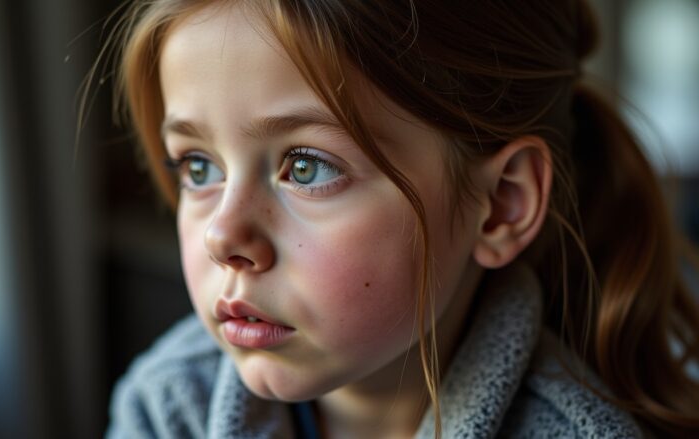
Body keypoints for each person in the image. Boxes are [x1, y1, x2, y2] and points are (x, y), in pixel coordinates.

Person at [103, 0, 699, 437]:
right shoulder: (166, 408)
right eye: (199, 166)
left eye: (306, 167)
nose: (222, 236)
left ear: (502, 205)